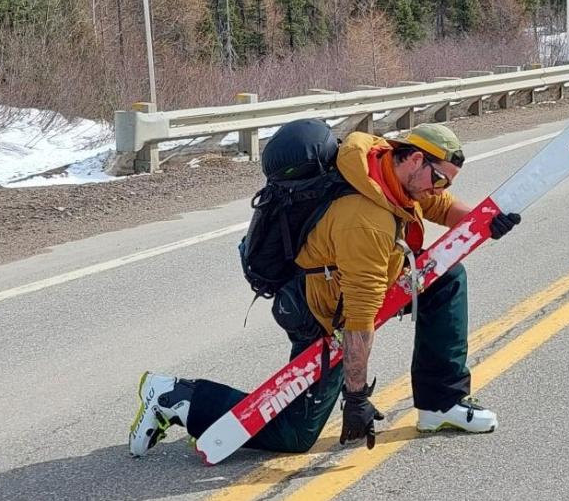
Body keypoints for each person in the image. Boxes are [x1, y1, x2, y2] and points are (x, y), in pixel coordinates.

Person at [129, 122, 521, 457]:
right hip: (318, 312)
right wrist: (356, 398)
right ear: (416, 159)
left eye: (445, 183)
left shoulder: (382, 161)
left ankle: (441, 403)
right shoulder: (366, 221)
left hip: (348, 284)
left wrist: (483, 223)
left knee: (445, 278)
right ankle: (174, 397)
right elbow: (359, 318)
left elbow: (438, 206)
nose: (438, 190)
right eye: (438, 180)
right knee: (295, 434)